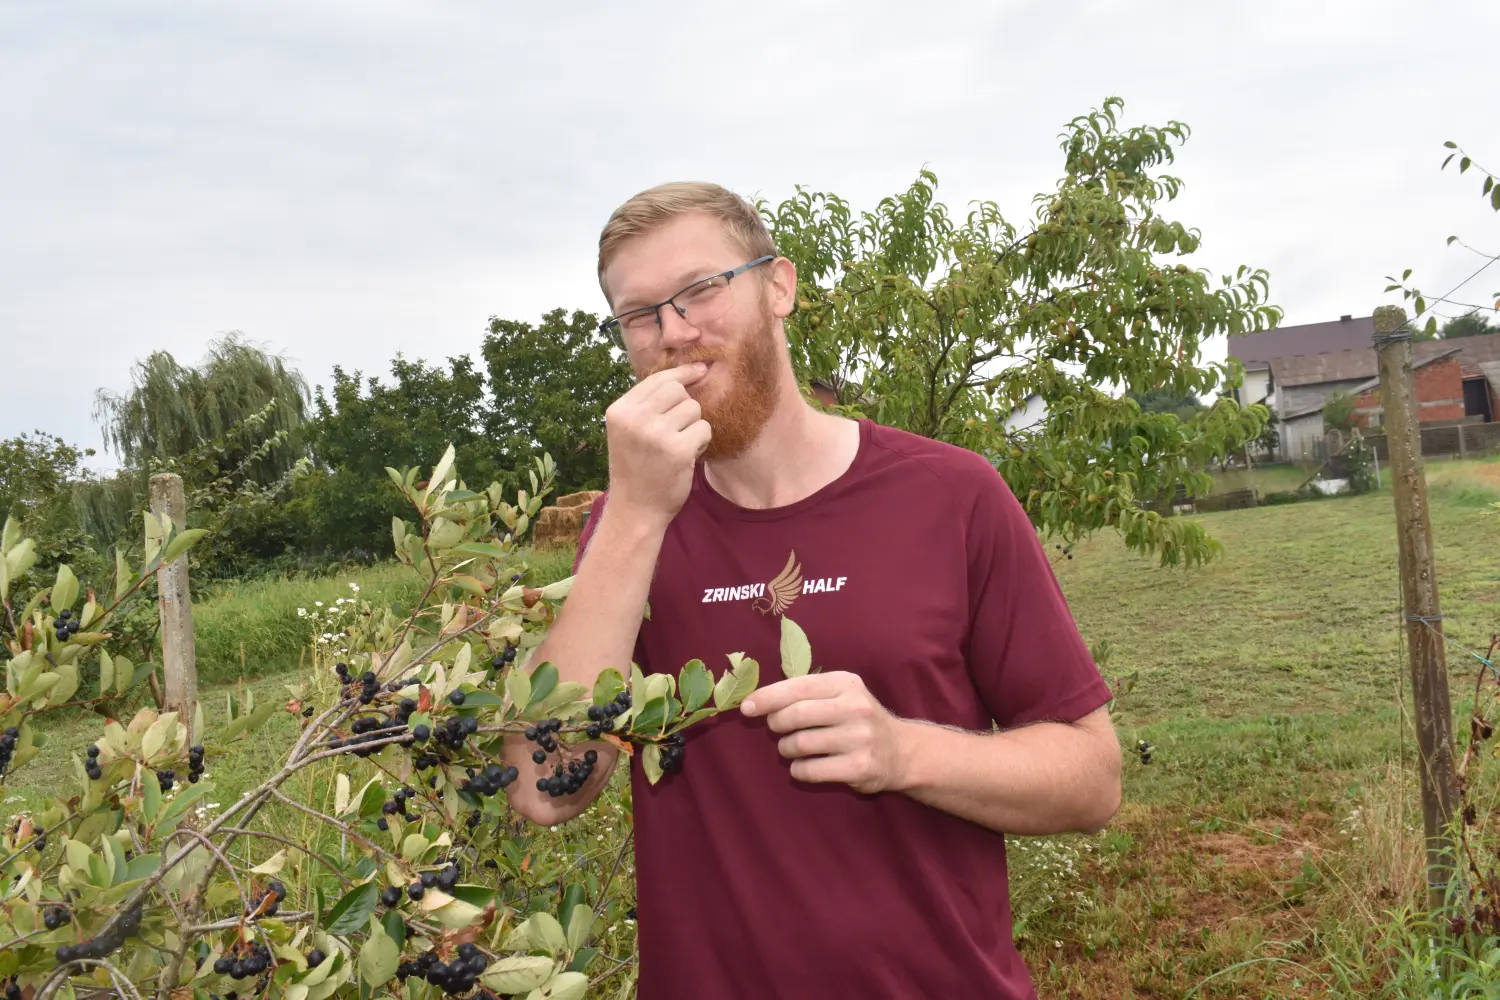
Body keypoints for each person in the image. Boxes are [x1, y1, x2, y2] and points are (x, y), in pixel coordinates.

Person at [502, 181, 1122, 999]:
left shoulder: (952, 495)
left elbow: (1092, 778)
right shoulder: (635, 528)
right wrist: (633, 516)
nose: (673, 333)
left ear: (778, 286)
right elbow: (547, 788)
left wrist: (903, 752)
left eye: (699, 291)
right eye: (639, 315)